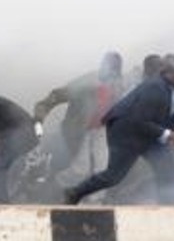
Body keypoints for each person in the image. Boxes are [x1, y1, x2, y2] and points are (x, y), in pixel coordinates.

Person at [63, 54, 174, 205]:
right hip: (127, 133)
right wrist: (170, 135)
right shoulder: (154, 87)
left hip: (152, 133)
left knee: (167, 172)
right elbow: (139, 121)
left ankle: (169, 207)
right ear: (166, 73)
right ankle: (74, 193)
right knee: (113, 176)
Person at [33, 52, 125, 190]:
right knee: (81, 169)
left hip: (101, 129)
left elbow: (119, 102)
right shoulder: (87, 82)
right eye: (111, 68)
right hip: (80, 128)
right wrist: (41, 112)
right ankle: (55, 186)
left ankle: (94, 202)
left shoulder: (117, 83)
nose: (113, 74)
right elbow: (58, 95)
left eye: (116, 70)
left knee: (102, 169)